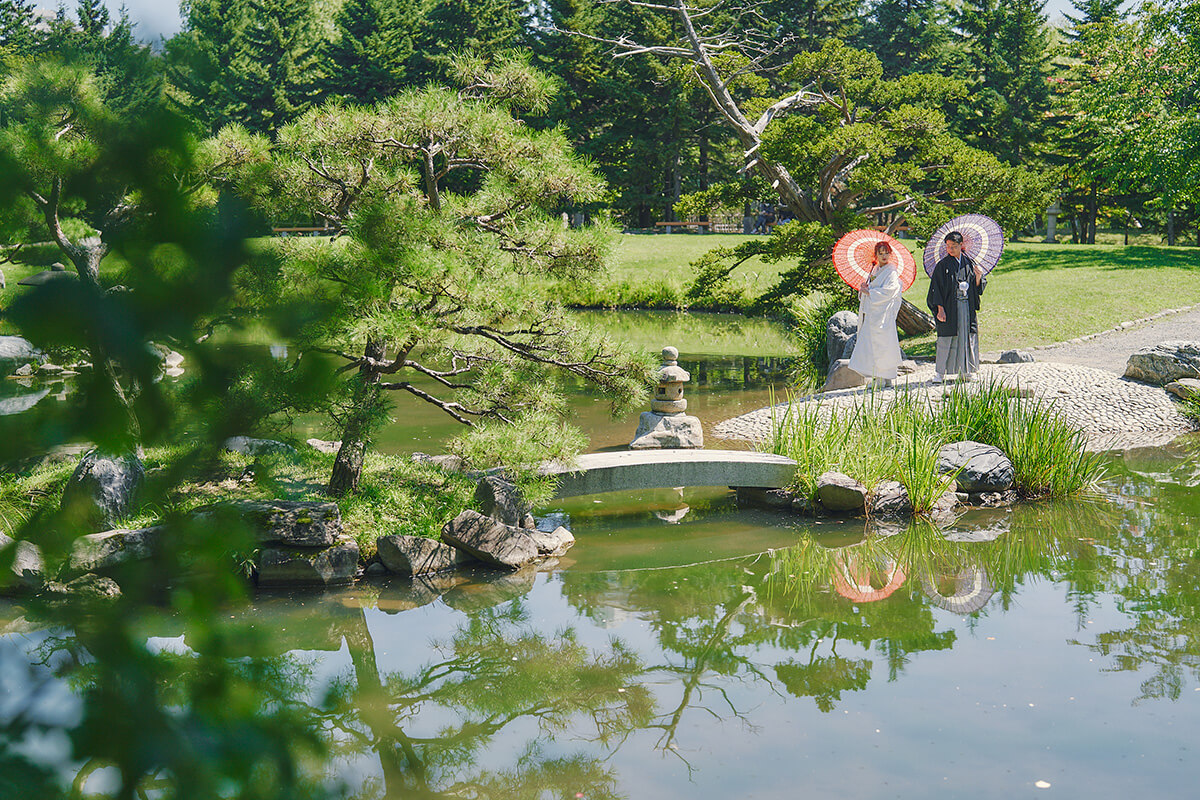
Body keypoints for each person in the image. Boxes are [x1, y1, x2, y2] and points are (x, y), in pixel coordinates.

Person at [926, 230, 986, 383]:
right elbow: (936, 289)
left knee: (967, 337)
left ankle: (967, 370)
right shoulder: (943, 265)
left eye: (953, 246)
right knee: (946, 339)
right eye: (948, 246)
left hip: (966, 306)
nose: (950, 249)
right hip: (949, 307)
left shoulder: (970, 263)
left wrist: (978, 276)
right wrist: (940, 309)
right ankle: (940, 373)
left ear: (961, 245)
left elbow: (977, 287)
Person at [848, 241, 903, 388]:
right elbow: (870, 289)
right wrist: (864, 289)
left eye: (886, 253)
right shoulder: (875, 270)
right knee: (873, 344)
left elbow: (890, 290)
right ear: (876, 255)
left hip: (883, 314)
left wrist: (871, 292)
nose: (884, 256)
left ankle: (884, 376)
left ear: (890, 254)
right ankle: (880, 376)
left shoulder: (891, 271)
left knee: (883, 343)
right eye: (881, 253)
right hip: (874, 314)